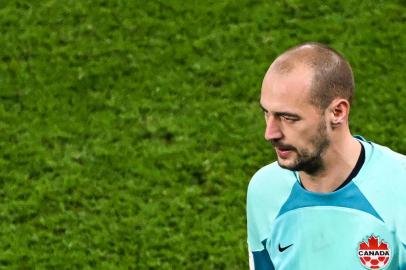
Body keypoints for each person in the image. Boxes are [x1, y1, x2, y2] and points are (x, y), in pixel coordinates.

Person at [246, 42, 406, 270]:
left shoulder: (401, 188)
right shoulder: (264, 189)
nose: (270, 133)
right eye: (266, 113)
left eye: (288, 118)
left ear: (337, 112)